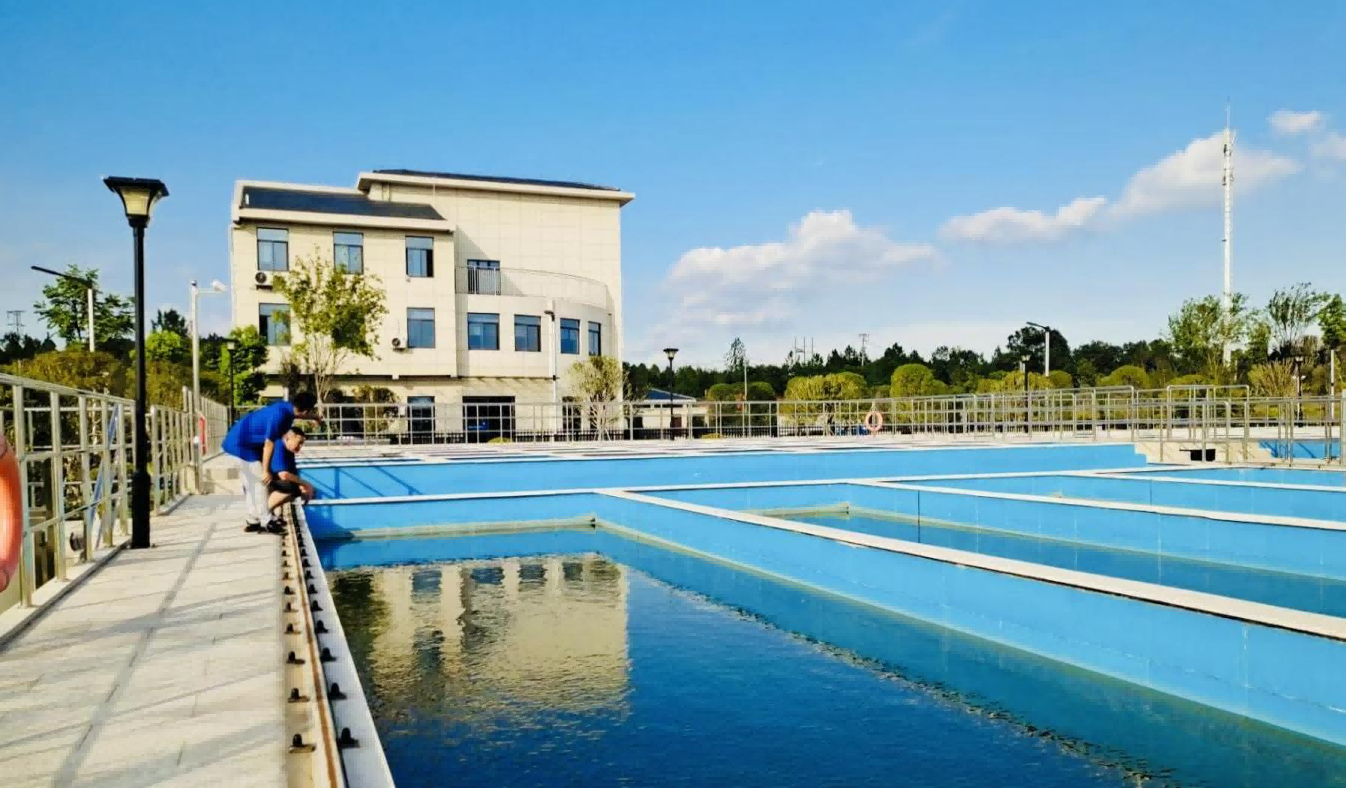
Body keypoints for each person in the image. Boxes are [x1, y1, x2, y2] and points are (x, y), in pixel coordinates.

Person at [221, 392, 321, 533]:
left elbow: (299, 414)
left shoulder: (286, 408)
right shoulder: (279, 416)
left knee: (251, 485)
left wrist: (314, 417)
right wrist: (266, 470)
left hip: (242, 443)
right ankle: (267, 521)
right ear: (306, 410)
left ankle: (253, 520)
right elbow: (269, 444)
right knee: (261, 483)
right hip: (240, 446)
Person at [266, 427, 314, 519]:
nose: (300, 446)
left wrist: (302, 486)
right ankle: (264, 513)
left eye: (302, 444)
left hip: (271, 481)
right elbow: (283, 475)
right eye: (299, 442)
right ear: (287, 438)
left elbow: (293, 474)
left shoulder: (290, 451)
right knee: (292, 487)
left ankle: (272, 513)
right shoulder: (279, 446)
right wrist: (306, 484)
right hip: (259, 482)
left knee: (301, 489)